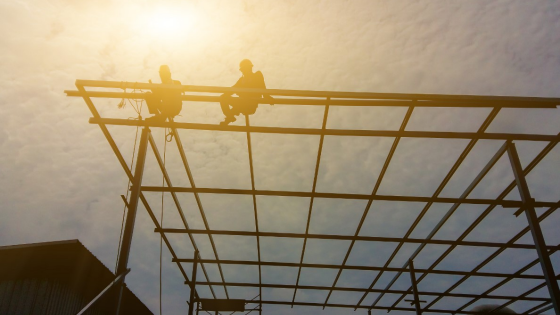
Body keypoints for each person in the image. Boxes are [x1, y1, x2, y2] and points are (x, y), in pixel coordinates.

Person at [219, 59, 274, 125]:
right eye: (244, 69)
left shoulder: (257, 75)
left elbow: (262, 87)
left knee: (239, 104)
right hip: (242, 103)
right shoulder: (241, 80)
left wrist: (267, 97)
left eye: (247, 68)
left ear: (251, 68)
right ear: (242, 70)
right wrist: (224, 94)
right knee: (223, 98)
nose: (246, 71)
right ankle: (229, 117)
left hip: (251, 105)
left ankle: (228, 118)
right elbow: (232, 90)